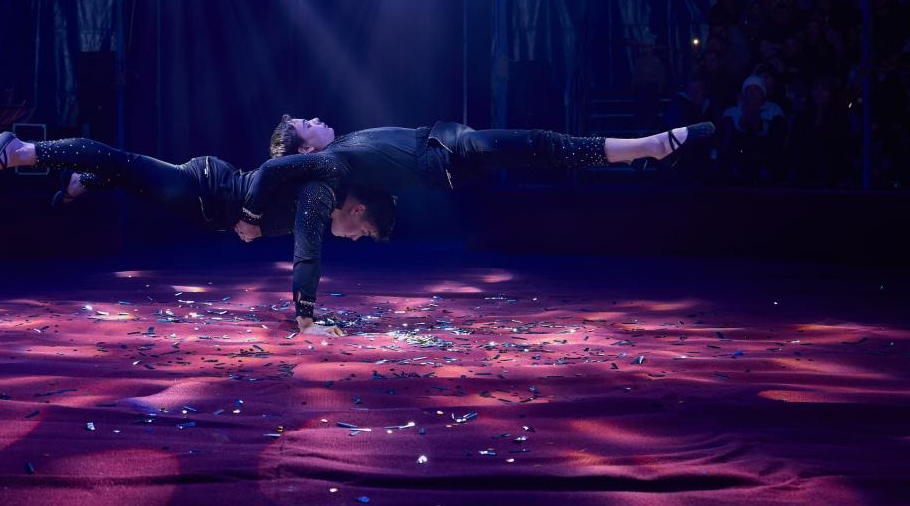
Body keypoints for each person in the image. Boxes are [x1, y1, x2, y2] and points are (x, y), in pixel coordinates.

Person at [233, 116, 715, 300]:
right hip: (454, 153)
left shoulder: (339, 164)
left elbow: (339, 217)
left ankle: (648, 148)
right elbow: (276, 176)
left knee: (543, 147)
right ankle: (651, 146)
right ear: (306, 149)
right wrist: (252, 219)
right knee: (542, 144)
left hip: (451, 153)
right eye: (307, 124)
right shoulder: (331, 164)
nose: (316, 118)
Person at [0, 134, 395, 337]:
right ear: (357, 211)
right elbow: (305, 250)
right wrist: (306, 321)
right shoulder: (321, 195)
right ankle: (22, 151)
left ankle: (84, 181)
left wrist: (255, 224)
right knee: (124, 163)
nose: (355, 239)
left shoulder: (322, 194)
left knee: (132, 178)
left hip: (207, 204)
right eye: (364, 232)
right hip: (207, 187)